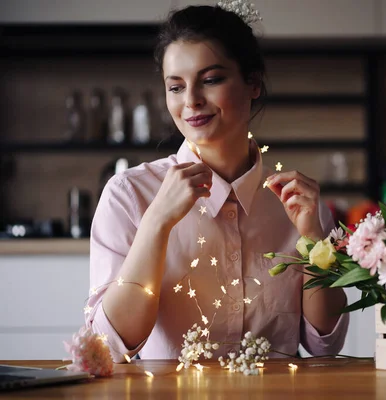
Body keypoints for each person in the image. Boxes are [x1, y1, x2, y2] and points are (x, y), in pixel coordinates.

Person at [86, 2, 349, 362]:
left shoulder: (296, 204)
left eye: (210, 80)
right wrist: (156, 223)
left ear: (252, 82)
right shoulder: (129, 195)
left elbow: (326, 345)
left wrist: (313, 241)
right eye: (175, 87)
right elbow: (110, 347)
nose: (191, 101)